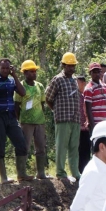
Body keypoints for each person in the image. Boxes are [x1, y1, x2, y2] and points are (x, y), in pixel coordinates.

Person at [0, 58, 33, 183]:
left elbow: (23, 92)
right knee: (0, 145)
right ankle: (3, 177)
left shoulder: (12, 81)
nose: (5, 70)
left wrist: (15, 76)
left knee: (21, 142)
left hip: (10, 116)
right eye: (3, 68)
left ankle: (21, 174)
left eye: (7, 68)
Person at [45, 52, 81, 180]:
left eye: (73, 65)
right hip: (63, 118)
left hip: (75, 118)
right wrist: (55, 110)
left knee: (74, 148)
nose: (71, 68)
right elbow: (48, 97)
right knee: (61, 146)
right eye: (69, 66)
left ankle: (75, 172)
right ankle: (60, 172)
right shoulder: (58, 79)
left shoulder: (75, 80)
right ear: (63, 65)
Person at [14, 60, 49, 179]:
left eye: (35, 71)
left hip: (39, 121)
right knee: (24, 147)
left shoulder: (40, 86)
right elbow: (16, 105)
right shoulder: (20, 86)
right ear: (25, 73)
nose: (34, 73)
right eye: (31, 71)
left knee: (41, 147)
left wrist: (42, 118)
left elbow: (42, 103)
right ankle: (21, 173)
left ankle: (41, 172)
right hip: (26, 122)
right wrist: (19, 120)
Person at [84, 62, 106, 133]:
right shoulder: (89, 88)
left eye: (98, 72)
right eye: (94, 72)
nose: (97, 74)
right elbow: (88, 109)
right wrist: (93, 126)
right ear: (90, 73)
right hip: (95, 123)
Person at [77, 75, 91, 173]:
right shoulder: (75, 96)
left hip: (87, 128)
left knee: (86, 151)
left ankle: (85, 171)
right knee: (78, 151)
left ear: (83, 83)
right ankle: (78, 171)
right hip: (77, 128)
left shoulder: (86, 96)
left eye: (78, 83)